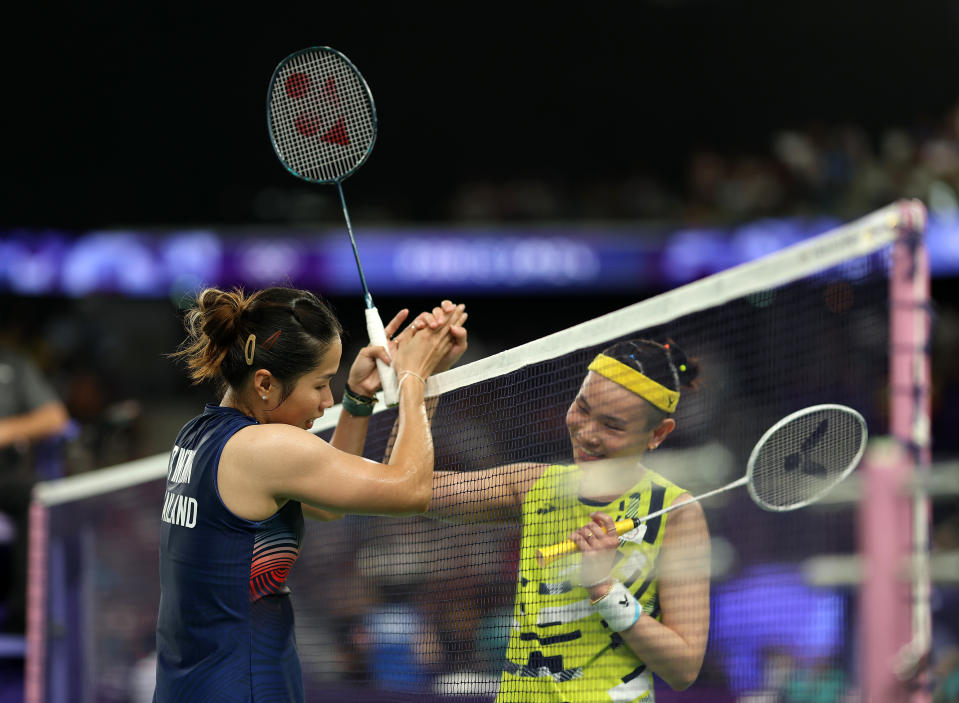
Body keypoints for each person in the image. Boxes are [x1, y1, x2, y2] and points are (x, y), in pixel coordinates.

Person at [153, 287, 467, 702]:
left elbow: (324, 507)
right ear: (265, 383)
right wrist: (414, 376)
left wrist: (358, 401)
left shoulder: (197, 435)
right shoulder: (265, 447)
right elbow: (410, 489)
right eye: (320, 384)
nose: (326, 400)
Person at [425, 337, 711, 702]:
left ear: (657, 434)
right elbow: (408, 491)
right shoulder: (533, 485)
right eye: (583, 408)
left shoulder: (675, 514)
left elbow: (683, 668)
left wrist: (605, 590)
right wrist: (424, 385)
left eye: (612, 425)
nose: (587, 433)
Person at [0, 344, 71, 634]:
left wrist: (6, 430)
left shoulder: (12, 365)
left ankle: (25, 616)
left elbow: (55, 417)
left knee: (36, 492)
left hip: (4, 476)